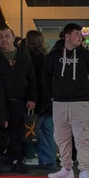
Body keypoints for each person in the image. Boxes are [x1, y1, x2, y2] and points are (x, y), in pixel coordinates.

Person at [44, 23, 89, 178]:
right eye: (76, 33)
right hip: (60, 102)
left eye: (80, 33)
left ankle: (84, 169)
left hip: (81, 101)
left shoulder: (86, 55)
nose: (79, 36)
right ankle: (66, 168)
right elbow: (45, 76)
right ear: (67, 36)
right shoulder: (54, 55)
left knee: (82, 136)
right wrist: (50, 95)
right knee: (61, 136)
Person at [0, 27, 35, 172]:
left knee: (18, 132)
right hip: (0, 101)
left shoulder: (23, 56)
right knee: (0, 130)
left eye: (7, 36)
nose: (4, 39)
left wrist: (32, 98)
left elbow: (31, 77)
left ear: (13, 38)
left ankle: (16, 159)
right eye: (1, 37)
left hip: (19, 100)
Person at [25, 29, 57, 170]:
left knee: (34, 131)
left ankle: (48, 157)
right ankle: (50, 159)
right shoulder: (46, 57)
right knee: (47, 131)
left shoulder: (29, 57)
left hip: (36, 99)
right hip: (48, 98)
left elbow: (32, 80)